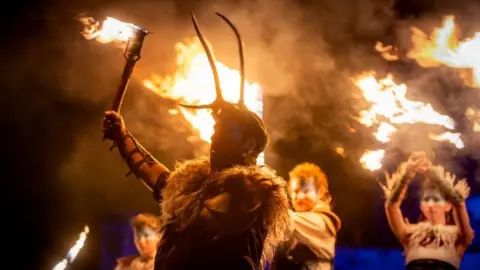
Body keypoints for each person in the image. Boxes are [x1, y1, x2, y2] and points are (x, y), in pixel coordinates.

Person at [102, 12, 290, 270]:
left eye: (226, 129)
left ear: (249, 145)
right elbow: (159, 178)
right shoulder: (194, 187)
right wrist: (122, 136)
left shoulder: (252, 191)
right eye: (217, 127)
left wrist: (179, 191)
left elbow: (195, 207)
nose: (215, 133)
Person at [380, 151, 475, 270]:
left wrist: (432, 172)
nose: (430, 205)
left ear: (448, 206)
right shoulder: (409, 234)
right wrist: (407, 176)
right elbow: (391, 206)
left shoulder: (459, 237)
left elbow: (459, 204)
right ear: (421, 206)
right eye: (426, 200)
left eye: (436, 199)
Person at [270, 163, 341, 270]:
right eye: (296, 191)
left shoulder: (321, 222)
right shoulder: (298, 220)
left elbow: (286, 221)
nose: (300, 196)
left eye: (306, 191)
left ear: (320, 192)